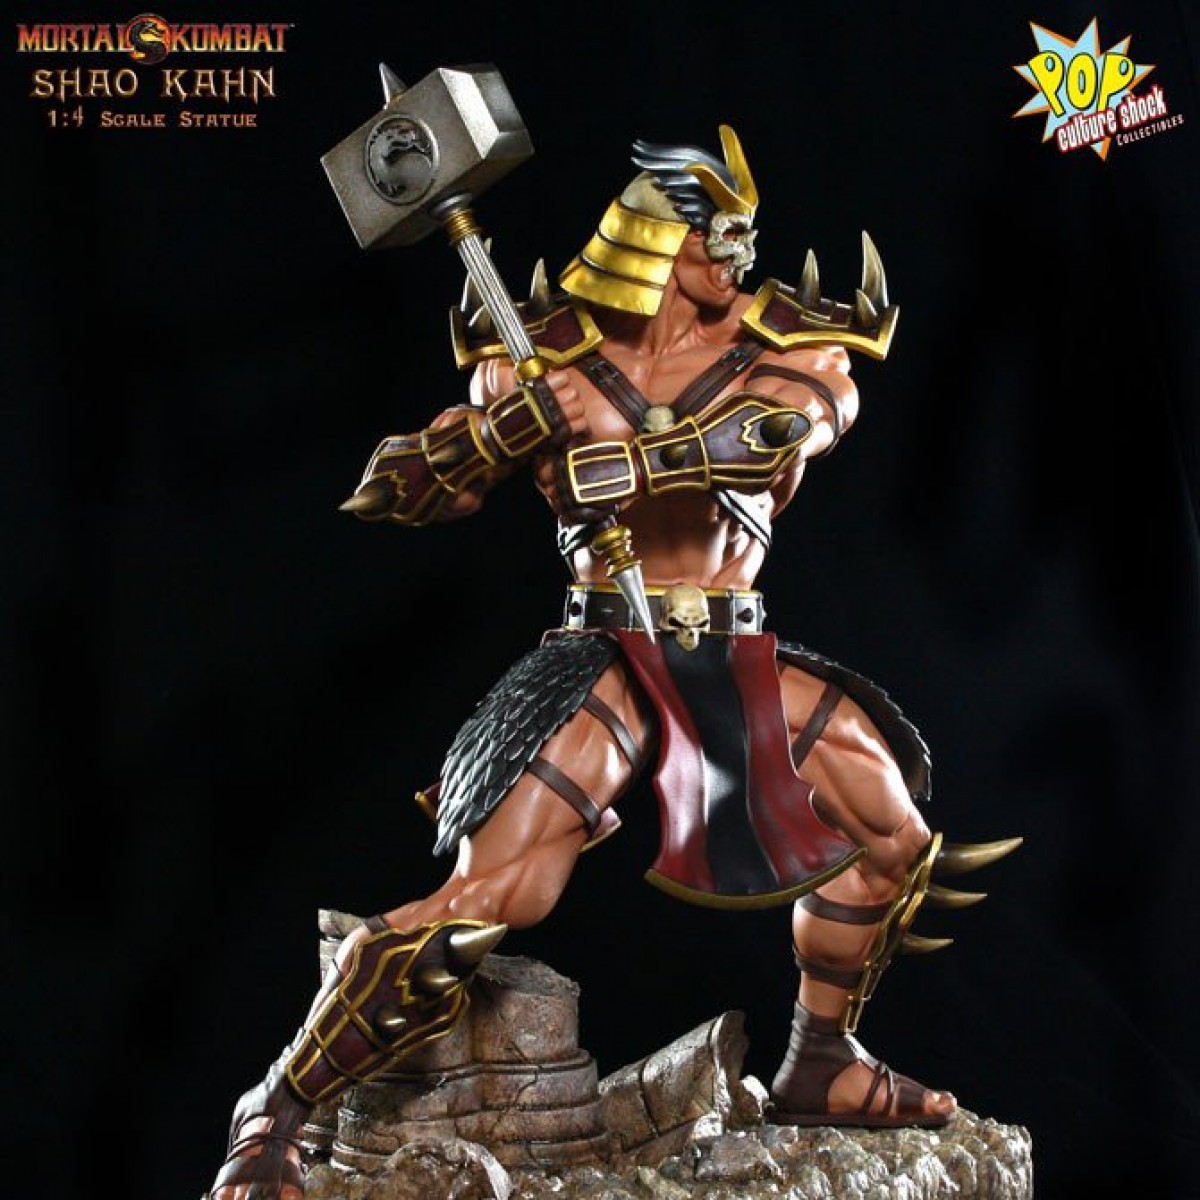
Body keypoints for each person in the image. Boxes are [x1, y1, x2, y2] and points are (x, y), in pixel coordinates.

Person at [208, 125, 1019, 1200]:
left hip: (731, 647)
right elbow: (396, 493)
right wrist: (508, 431)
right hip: (602, 653)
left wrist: (628, 461)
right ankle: (277, 1107)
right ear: (654, 238)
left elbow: (786, 429)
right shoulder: (541, 360)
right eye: (720, 234)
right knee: (495, 893)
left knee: (894, 836)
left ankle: (819, 1060)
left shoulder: (791, 342)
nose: (739, 254)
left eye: (744, 233)